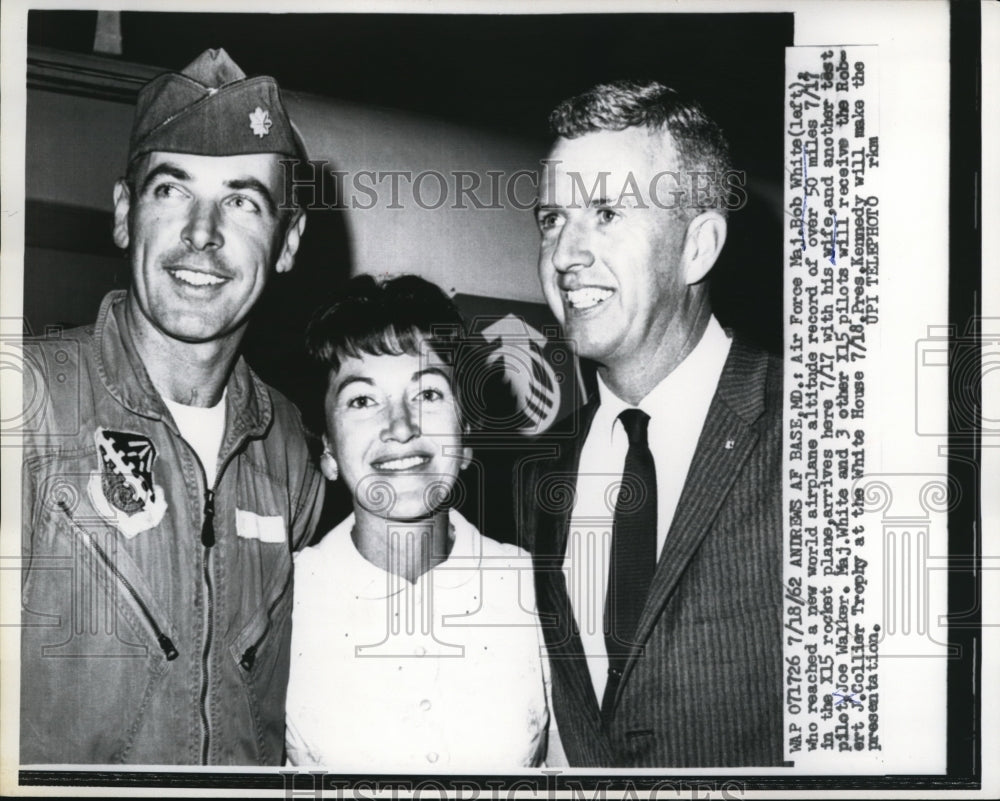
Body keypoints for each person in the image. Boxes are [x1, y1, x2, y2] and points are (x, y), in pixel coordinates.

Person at [19, 48, 324, 765]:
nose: (201, 234)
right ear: (125, 213)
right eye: (171, 191)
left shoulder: (291, 451)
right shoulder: (28, 404)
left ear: (288, 242)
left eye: (243, 201)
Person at [521, 79, 783, 766]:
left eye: (606, 212)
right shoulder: (541, 470)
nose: (565, 255)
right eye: (552, 218)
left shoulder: (812, 430)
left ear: (698, 247)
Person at [285, 274, 553, 769]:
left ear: (466, 433)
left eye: (427, 394)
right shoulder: (285, 595)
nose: (401, 428)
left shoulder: (534, 584)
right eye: (362, 400)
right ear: (326, 449)